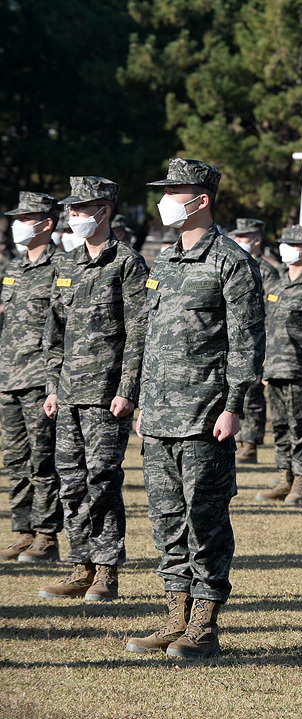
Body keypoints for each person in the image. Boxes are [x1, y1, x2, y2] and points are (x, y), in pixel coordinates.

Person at [125, 159, 265, 660]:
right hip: (160, 416)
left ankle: (204, 625)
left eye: (174, 191)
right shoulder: (163, 261)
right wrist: (140, 400)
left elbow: (247, 346)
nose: (164, 200)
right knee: (166, 518)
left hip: (206, 416)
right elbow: (147, 337)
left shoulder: (231, 262)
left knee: (204, 518)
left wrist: (232, 406)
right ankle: (175, 618)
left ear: (201, 199)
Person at [35, 177, 149, 602]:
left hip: (106, 396)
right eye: (71, 209)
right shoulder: (64, 265)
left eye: (82, 209)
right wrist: (52, 386)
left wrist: (128, 389)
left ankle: (105, 571)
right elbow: (54, 333)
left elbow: (138, 334)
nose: (74, 216)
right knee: (71, 481)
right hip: (67, 395)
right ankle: (80, 565)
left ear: (104, 211)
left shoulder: (128, 264)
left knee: (102, 480)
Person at [0, 192, 63, 563]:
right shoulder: (12, 267)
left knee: (43, 460)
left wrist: (56, 384)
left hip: (40, 378)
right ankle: (23, 531)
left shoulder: (62, 267)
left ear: (46, 223)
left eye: (25, 218)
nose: (17, 224)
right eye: (17, 217)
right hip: (9, 377)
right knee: (15, 459)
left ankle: (46, 536)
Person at [255, 226, 302, 505]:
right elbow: (266, 325)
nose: (284, 248)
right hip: (274, 367)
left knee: (300, 428)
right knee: (281, 426)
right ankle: (285, 477)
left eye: (291, 245)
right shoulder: (278, 280)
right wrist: (263, 361)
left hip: (300, 369)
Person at [231, 217, 276, 464]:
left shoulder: (267, 271)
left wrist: (266, 346)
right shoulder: (234, 264)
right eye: (236, 237)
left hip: (256, 340)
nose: (238, 241)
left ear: (257, 240)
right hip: (234, 340)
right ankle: (236, 439)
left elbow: (271, 313)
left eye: (243, 237)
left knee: (254, 394)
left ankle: (250, 443)